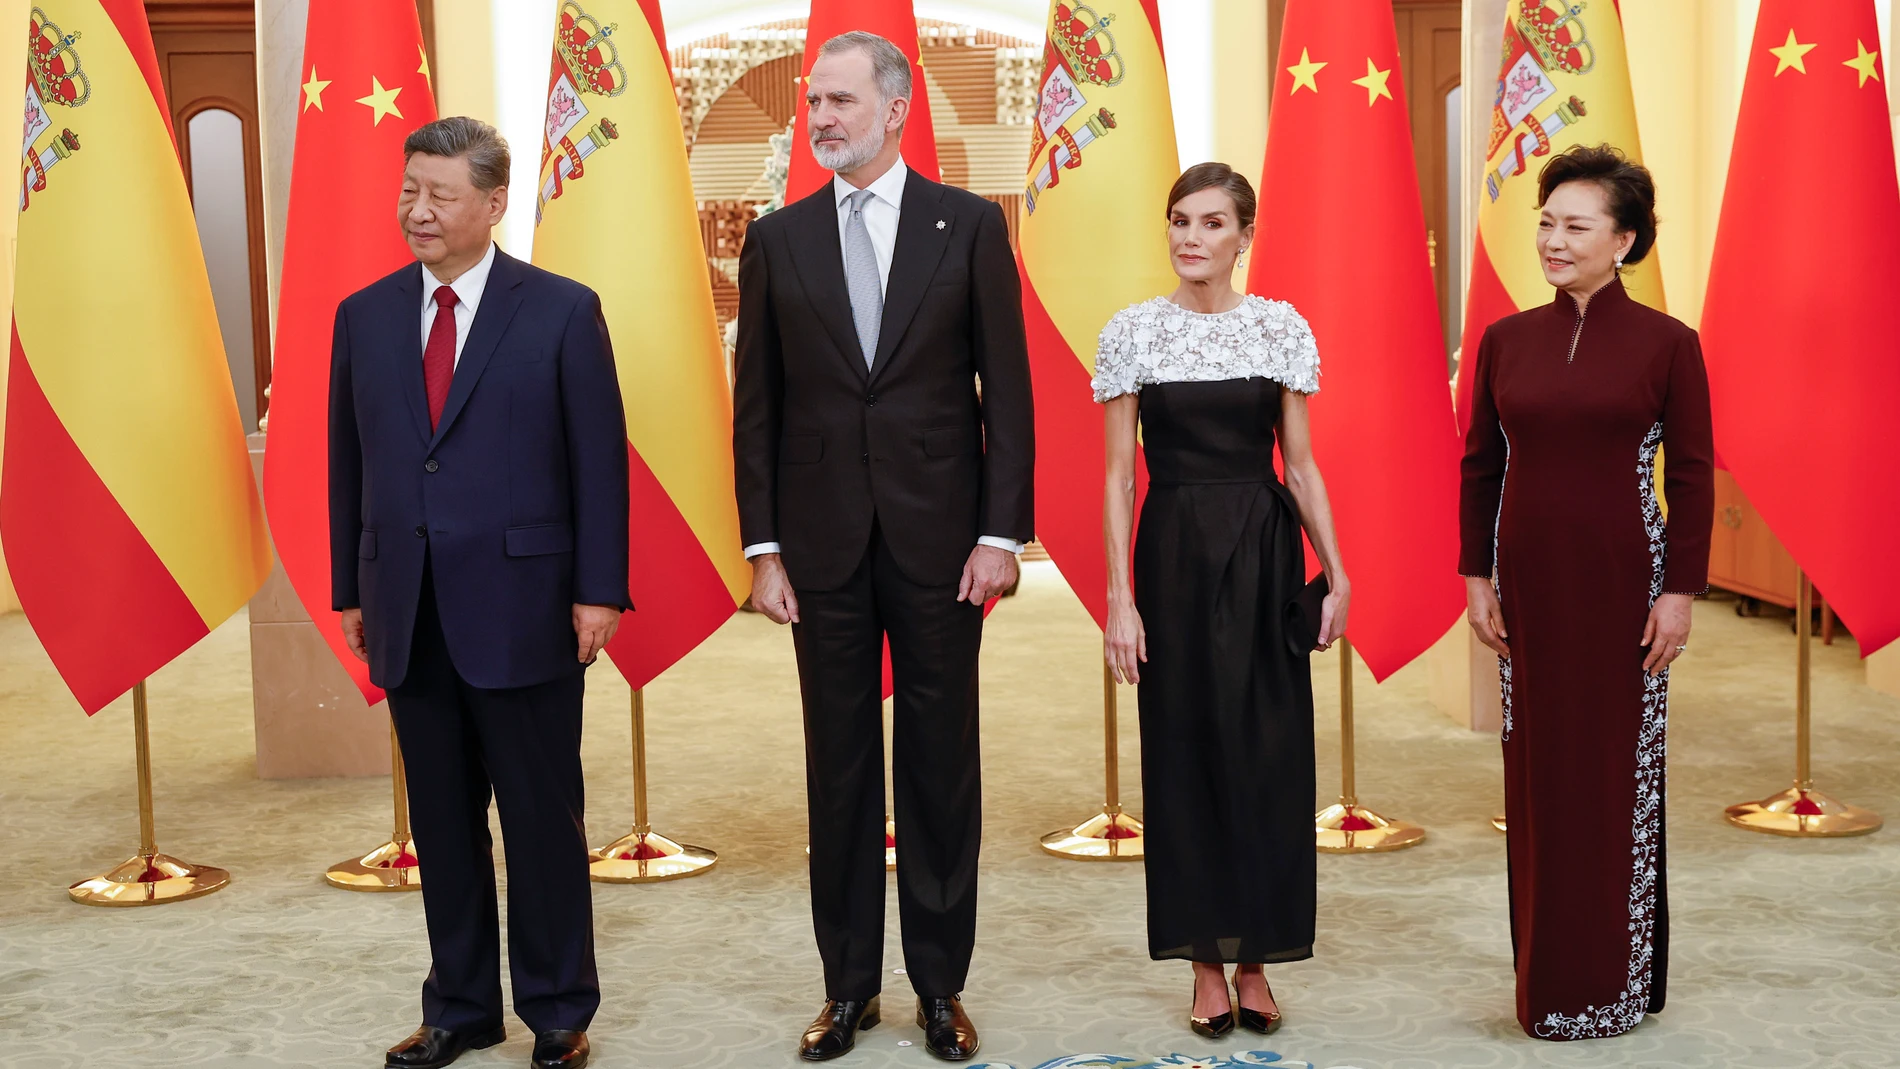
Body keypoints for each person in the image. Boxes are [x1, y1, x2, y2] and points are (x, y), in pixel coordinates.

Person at [731, 30, 1034, 1064]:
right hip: (817, 548)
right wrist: (763, 548)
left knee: (940, 768)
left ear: (895, 109)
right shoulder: (777, 239)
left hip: (945, 541)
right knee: (841, 766)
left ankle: (939, 987)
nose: (820, 118)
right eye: (813, 102)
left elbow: (1009, 391)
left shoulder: (969, 229)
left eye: (840, 102)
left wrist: (1001, 533)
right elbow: (757, 411)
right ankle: (848, 985)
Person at [329, 116, 630, 1069]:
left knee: (540, 818)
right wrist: (351, 582)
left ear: (493, 205)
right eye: (410, 190)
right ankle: (459, 1006)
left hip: (528, 607)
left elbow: (599, 465)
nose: (418, 210)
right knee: (443, 826)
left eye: (441, 195)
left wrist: (599, 591)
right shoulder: (364, 315)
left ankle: (555, 1008)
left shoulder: (560, 310)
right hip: (408, 606)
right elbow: (352, 462)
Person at [1459, 144, 1713, 1041]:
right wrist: (1476, 577)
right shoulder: (1503, 339)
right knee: (1539, 779)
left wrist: (1679, 591)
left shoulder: (1668, 345)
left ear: (1625, 241)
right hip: (1527, 584)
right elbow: (1481, 465)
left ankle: (1617, 980)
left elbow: (1692, 475)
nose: (1553, 241)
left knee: (1613, 778)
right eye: (1545, 223)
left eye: (1575, 226)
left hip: (1623, 588)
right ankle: (1549, 980)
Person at [1096, 163, 1350, 1039]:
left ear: (1245, 236)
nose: (1190, 238)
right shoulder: (1132, 333)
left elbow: (1303, 463)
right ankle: (1204, 963)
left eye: (1210, 223)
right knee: (1183, 752)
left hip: (1266, 552)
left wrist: (1338, 570)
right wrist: (1119, 599)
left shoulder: (1281, 329)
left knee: (1269, 754)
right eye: (1178, 221)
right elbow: (1120, 476)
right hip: (1170, 557)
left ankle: (1256, 962)